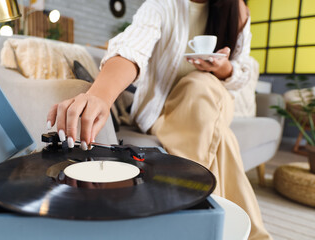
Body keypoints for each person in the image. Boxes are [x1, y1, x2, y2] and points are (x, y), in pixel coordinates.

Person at [47, 0, 272, 239]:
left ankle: (187, 209)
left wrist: (222, 67)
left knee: (202, 83)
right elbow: (132, 48)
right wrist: (100, 96)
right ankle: (249, 233)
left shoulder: (238, 12)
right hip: (164, 113)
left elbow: (240, 76)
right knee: (222, 138)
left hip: (214, 100)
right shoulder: (163, 5)